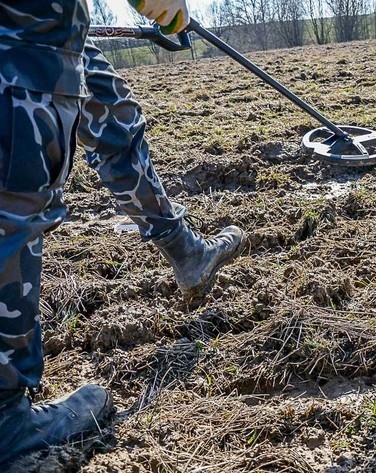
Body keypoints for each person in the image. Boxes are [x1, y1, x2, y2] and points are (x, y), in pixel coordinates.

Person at [0, 0, 244, 464]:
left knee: (108, 108)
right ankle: (2, 419)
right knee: (15, 196)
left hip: (42, 24)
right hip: (20, 31)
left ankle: (186, 251)